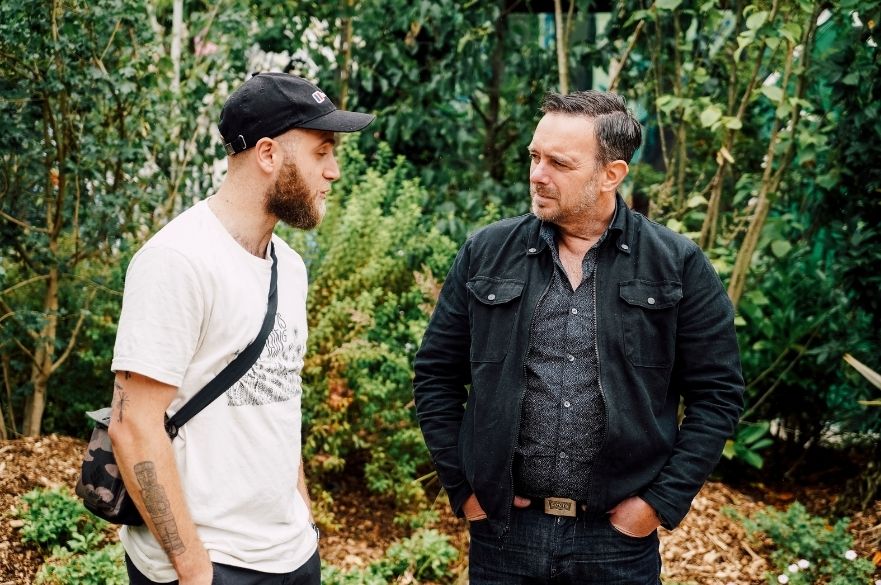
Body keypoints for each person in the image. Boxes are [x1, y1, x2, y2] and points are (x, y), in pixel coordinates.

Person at [413, 90, 744, 584]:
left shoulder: (676, 265)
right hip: (505, 536)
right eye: (534, 156)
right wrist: (463, 488)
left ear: (611, 175)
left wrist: (658, 503)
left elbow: (718, 396)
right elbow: (436, 375)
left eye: (558, 163)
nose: (536, 174)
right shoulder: (486, 253)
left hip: (614, 543)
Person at [108, 72, 374, 585]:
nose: (334, 171)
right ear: (269, 154)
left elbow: (278, 401)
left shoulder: (289, 267)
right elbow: (133, 424)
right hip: (210, 563)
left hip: (292, 553)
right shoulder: (177, 260)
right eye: (323, 152)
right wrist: (192, 568)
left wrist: (304, 519)